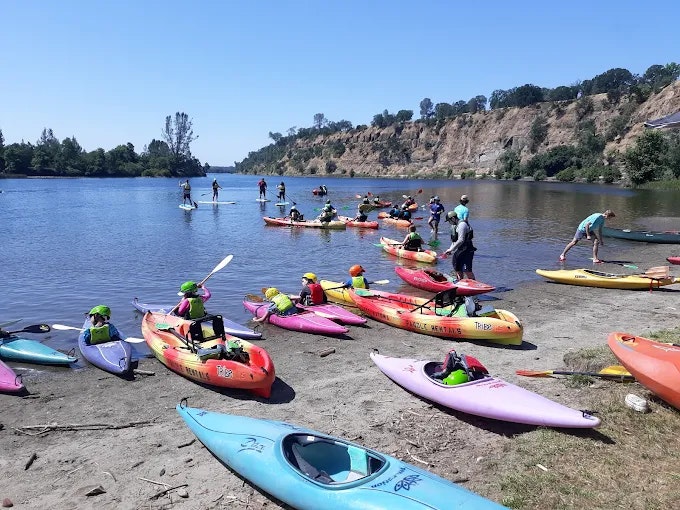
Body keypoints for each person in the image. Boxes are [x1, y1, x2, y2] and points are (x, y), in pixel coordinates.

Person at [443, 211, 476, 280]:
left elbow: (461, 240)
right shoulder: (455, 226)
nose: (449, 223)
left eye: (449, 221)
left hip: (467, 249)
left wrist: (451, 249)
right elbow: (454, 241)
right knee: (456, 265)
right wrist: (449, 249)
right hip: (460, 249)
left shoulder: (462, 225)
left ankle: (474, 283)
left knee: (467, 269)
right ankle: (460, 281)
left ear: (453, 218)